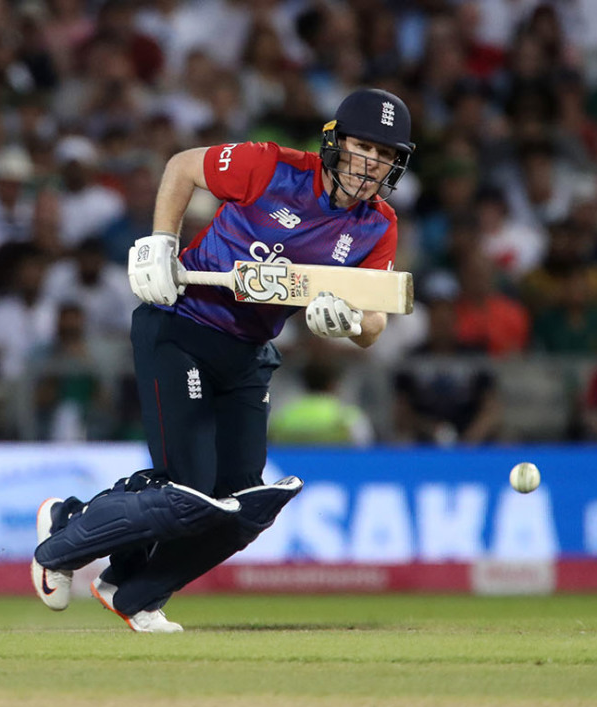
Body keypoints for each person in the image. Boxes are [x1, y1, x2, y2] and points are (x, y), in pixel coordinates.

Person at [30, 88, 414, 631]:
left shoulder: (377, 225)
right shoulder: (273, 168)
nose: (371, 163)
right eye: (362, 146)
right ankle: (64, 535)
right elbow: (182, 166)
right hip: (182, 328)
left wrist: (350, 322)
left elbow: (374, 324)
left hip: (247, 355)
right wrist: (163, 242)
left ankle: (133, 590)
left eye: (385, 154)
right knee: (189, 489)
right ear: (335, 142)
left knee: (245, 504)